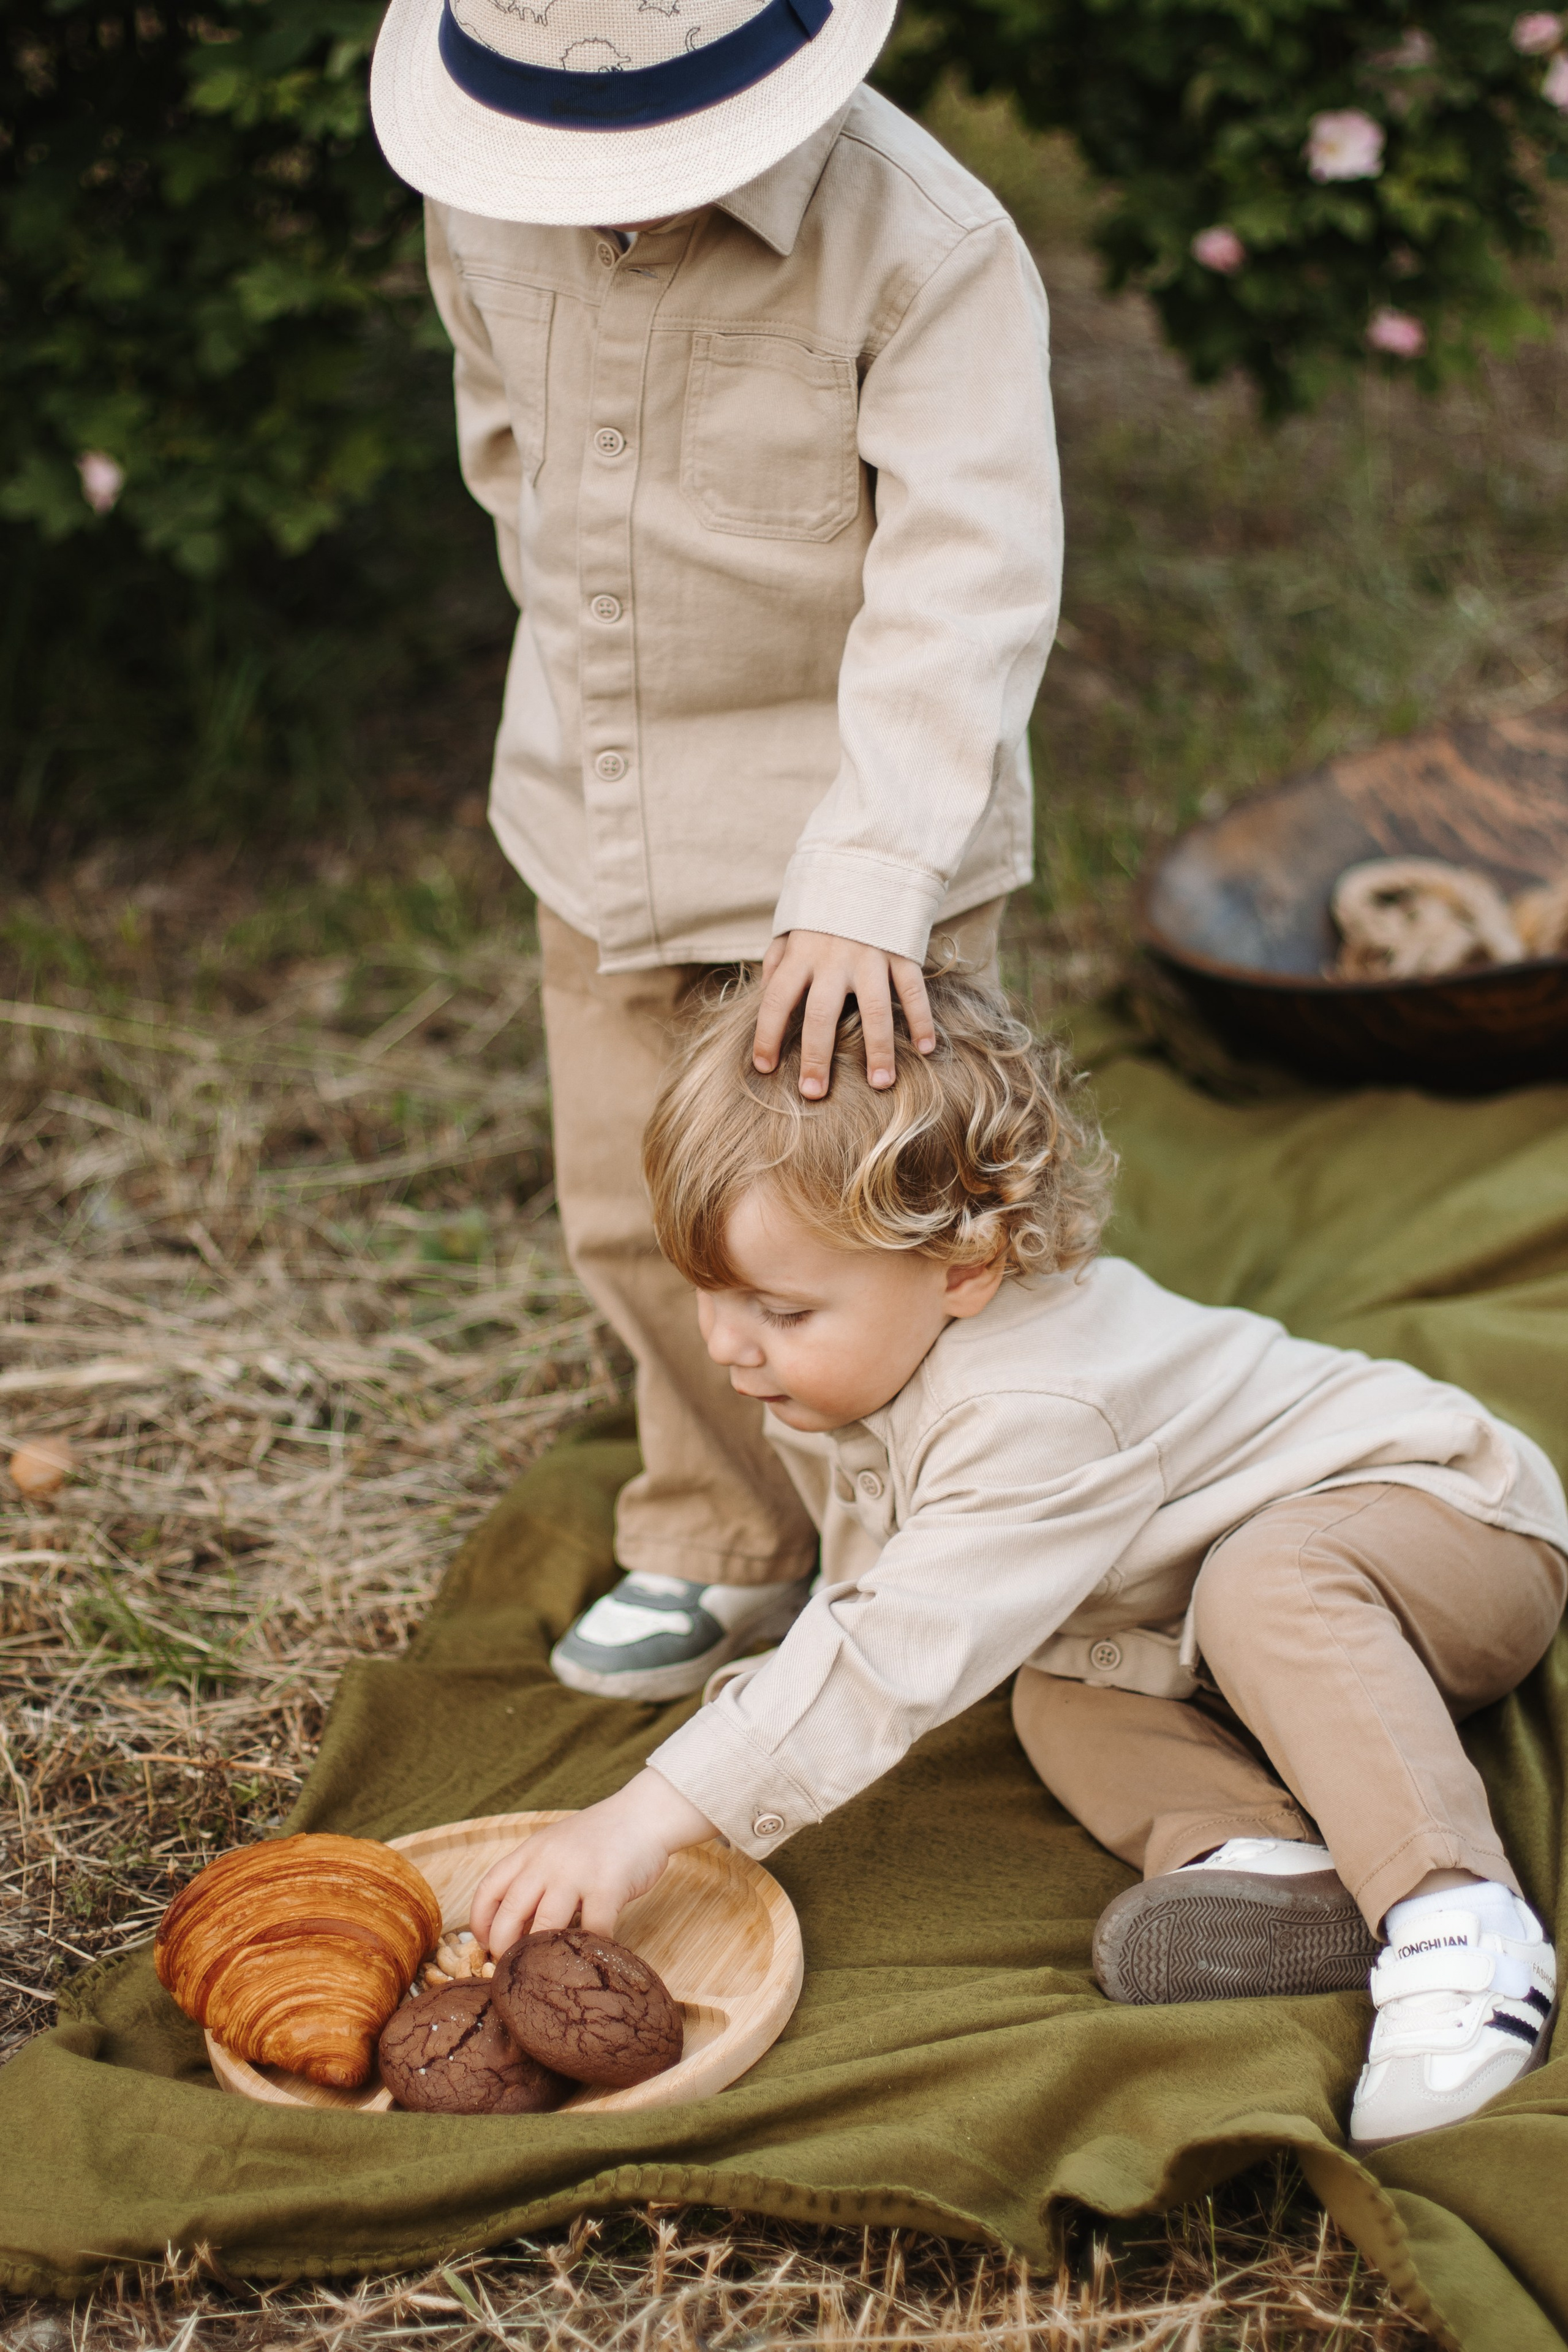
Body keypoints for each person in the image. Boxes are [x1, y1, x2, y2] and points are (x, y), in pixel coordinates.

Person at [469, 969, 1567, 2147]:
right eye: (710, 1293)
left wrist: (645, 1820)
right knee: (1052, 1679)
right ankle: (1265, 1863)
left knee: (1268, 1584)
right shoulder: (866, 1353)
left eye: (782, 1313)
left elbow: (895, 1644)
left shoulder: (1036, 1403)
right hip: (1193, 1608)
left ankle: (1459, 1919)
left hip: (1446, 1537)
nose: (730, 1345)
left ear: (967, 1266)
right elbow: (874, 1589)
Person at [369, 0, 1061, 1698]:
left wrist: (870, 882)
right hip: (593, 812)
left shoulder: (928, 244)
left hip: (845, 843)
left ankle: (926, 1560)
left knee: (870, 1231)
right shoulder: (482, 203)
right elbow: (507, 450)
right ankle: (722, 1531)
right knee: (633, 1205)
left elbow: (961, 591)